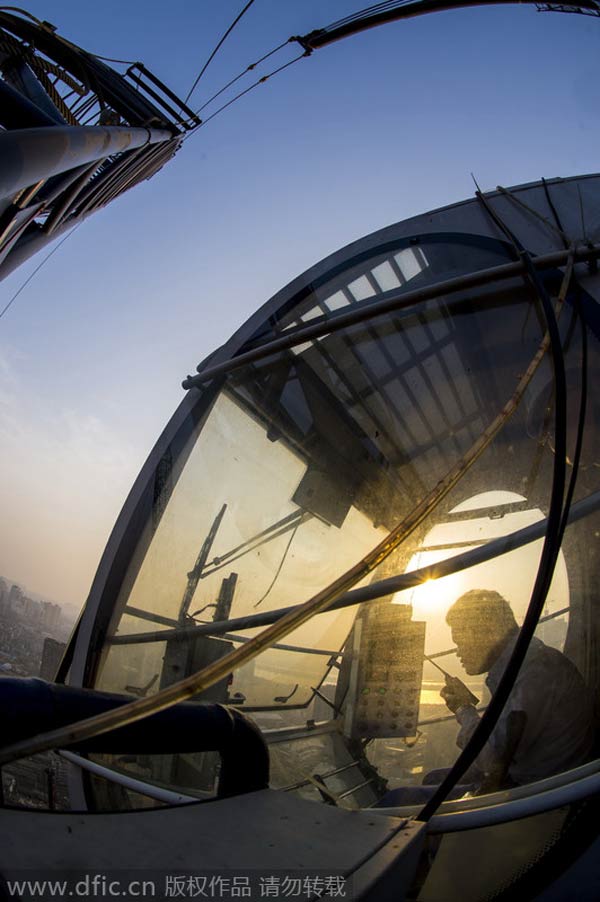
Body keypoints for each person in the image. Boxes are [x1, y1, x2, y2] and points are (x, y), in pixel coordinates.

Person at [441, 589, 595, 791]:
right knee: (434, 778)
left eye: (461, 643)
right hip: (532, 783)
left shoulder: (535, 671)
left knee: (397, 798)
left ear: (490, 632)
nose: (459, 653)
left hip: (540, 797)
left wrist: (463, 708)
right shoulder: (524, 665)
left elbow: (493, 757)